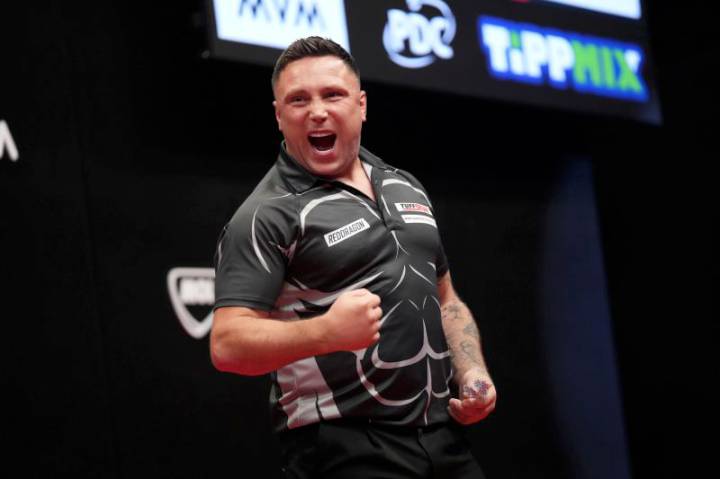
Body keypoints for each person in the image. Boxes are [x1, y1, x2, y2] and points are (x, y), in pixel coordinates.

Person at [210, 36, 496, 479]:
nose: (317, 111)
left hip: (444, 436)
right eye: (298, 99)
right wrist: (325, 332)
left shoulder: (404, 185)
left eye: (333, 94)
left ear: (361, 105)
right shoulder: (266, 214)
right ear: (279, 115)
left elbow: (446, 299)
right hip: (343, 446)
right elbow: (228, 344)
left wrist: (472, 372)